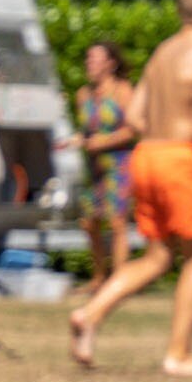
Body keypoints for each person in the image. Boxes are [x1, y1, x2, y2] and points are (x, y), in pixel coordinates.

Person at [69, 0, 192, 377]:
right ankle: (179, 353)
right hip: (180, 159)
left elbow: (136, 118)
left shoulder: (161, 54)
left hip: (146, 156)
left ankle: (91, 313)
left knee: (158, 256)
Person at [71, 40, 138, 283]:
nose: (89, 63)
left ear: (110, 63)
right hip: (95, 169)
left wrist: (103, 142)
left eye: (95, 59)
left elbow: (133, 130)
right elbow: (87, 132)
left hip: (119, 165)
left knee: (117, 222)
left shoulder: (123, 91)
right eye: (88, 59)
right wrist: (76, 140)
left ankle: (119, 279)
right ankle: (99, 278)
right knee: (89, 222)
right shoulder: (83, 95)